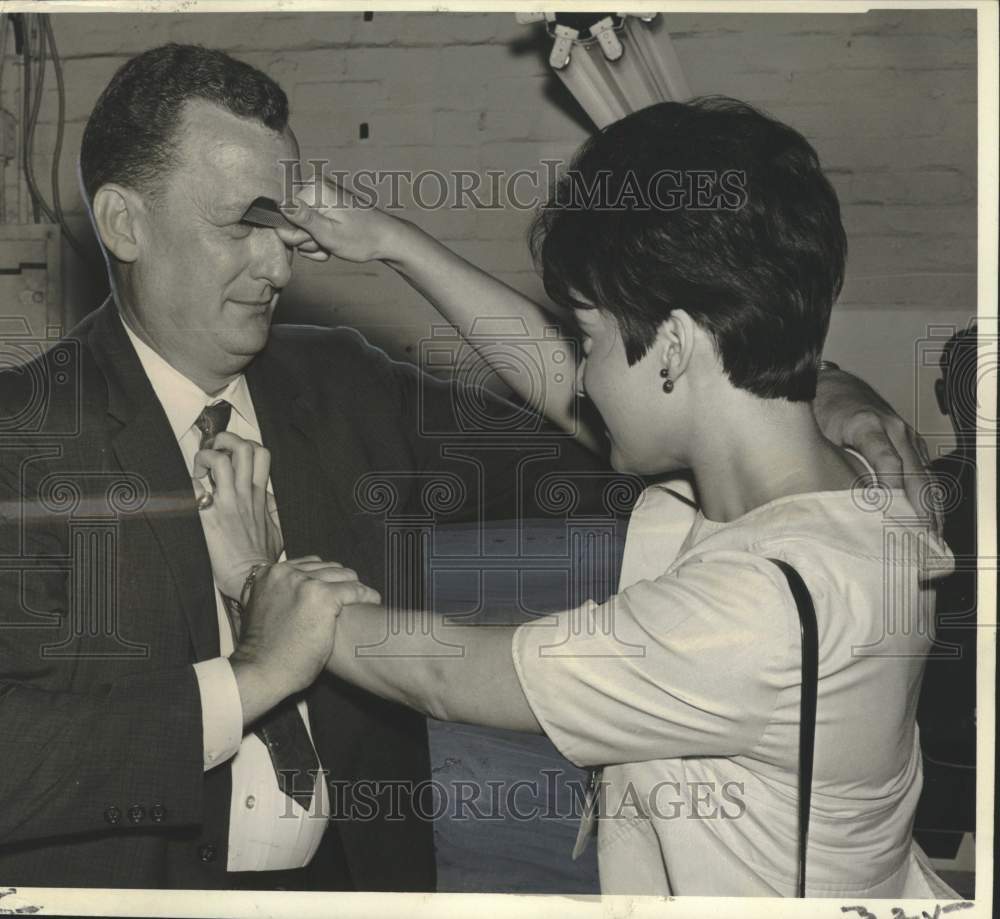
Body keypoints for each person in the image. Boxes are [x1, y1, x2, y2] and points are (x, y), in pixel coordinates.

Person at [0, 39, 929, 889]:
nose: (278, 262)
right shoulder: (21, 441)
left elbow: (597, 423)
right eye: (242, 222)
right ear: (124, 222)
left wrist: (823, 391)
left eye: (284, 222)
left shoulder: (346, 383)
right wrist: (242, 684)